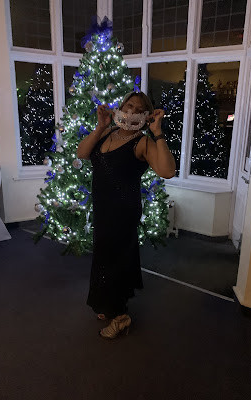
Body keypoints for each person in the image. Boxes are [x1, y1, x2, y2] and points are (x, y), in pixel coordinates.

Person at [77, 91, 176, 339]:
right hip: (102, 210)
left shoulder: (142, 142)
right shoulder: (109, 133)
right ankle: (106, 304)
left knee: (116, 262)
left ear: (145, 116)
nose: (131, 111)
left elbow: (167, 170)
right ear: (120, 107)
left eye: (138, 109)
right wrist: (101, 127)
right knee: (103, 258)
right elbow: (82, 153)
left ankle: (120, 316)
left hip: (123, 213)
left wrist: (157, 132)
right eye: (128, 105)